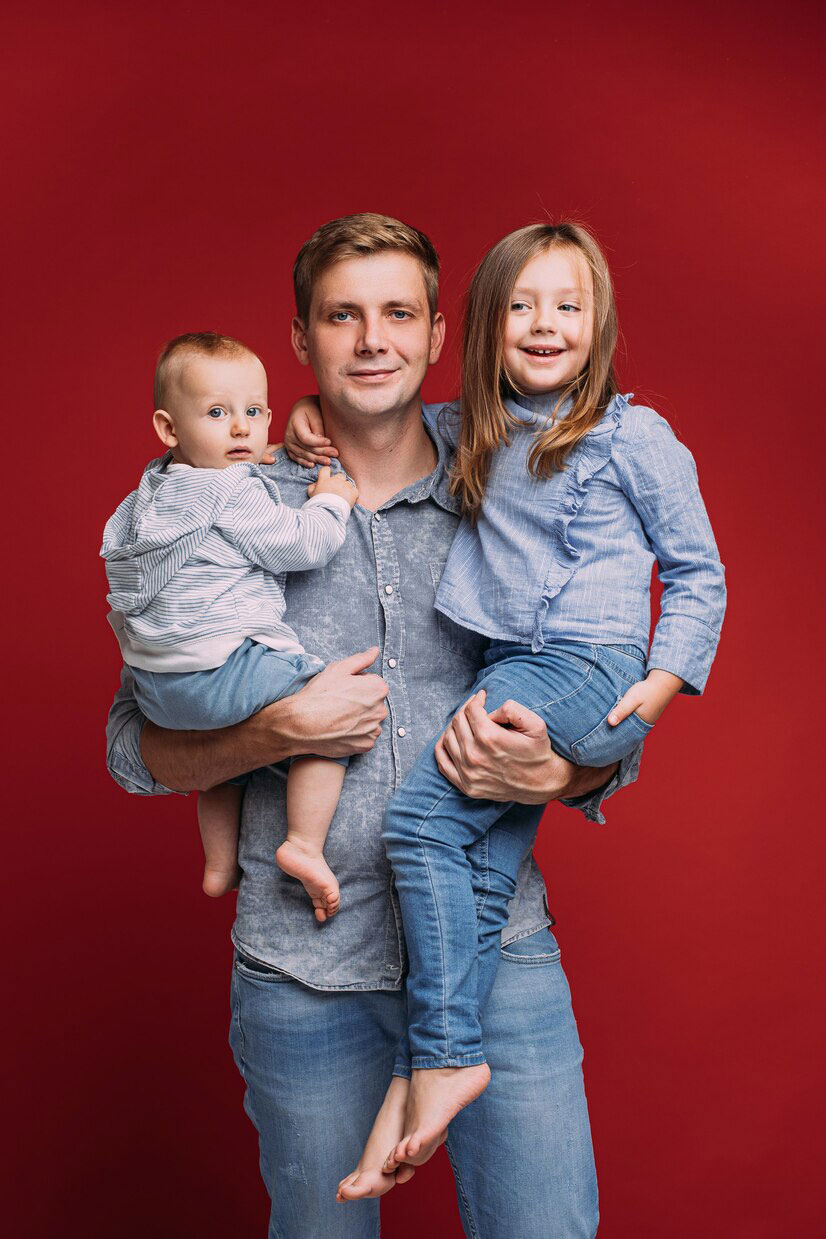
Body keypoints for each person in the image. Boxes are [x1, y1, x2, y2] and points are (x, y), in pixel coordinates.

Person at [105, 213, 641, 1238]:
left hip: (496, 954)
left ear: (440, 335)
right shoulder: (222, 499)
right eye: (340, 317)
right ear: (301, 341)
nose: (371, 341)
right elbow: (136, 747)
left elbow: (609, 705)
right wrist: (275, 730)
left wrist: (561, 773)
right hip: (304, 973)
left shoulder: (517, 485)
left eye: (397, 313)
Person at [284, 221, 726, 1189]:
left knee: (419, 828)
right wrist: (301, 426)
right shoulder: (461, 430)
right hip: (514, 673)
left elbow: (696, 574)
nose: (544, 323)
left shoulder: (631, 434)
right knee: (470, 869)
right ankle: (428, 1071)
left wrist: (645, 702)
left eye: (568, 305)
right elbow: (374, 416)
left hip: (581, 661)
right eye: (522, 305)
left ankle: (442, 1056)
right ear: (483, 327)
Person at [101, 334, 358, 918]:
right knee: (330, 714)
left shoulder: (157, 489)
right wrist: (332, 501)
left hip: (158, 692)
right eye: (217, 414)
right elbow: (303, 543)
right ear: (170, 428)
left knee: (228, 759)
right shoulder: (230, 491)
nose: (241, 430)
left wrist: (235, 455)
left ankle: (220, 864)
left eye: (253, 413)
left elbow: (213, 490)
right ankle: (304, 845)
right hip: (220, 670)